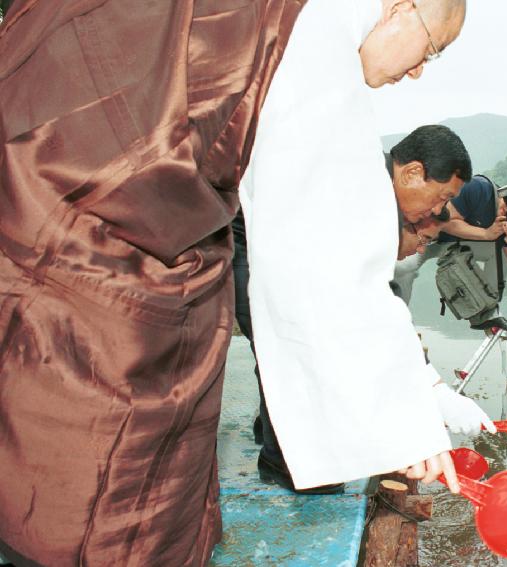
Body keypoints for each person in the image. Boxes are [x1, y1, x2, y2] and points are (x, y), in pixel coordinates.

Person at [0, 2, 308, 565]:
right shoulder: (262, 27)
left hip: (104, 291)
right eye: (430, 46)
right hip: (93, 296)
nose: (418, 70)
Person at [242, 119, 497, 491]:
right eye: (441, 198)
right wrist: (430, 392)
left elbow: (378, 300)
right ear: (412, 173)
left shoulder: (377, 189)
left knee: (295, 346)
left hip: (278, 247)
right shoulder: (363, 192)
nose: (438, 210)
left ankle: (277, 439)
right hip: (245, 241)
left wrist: (430, 386)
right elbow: (363, 308)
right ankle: (287, 464)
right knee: (292, 344)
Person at [392, 175, 507, 330]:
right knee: (404, 267)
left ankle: (487, 314)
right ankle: (396, 321)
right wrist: (486, 234)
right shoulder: (479, 189)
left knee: (499, 251)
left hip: (457, 245)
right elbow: (445, 222)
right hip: (426, 235)